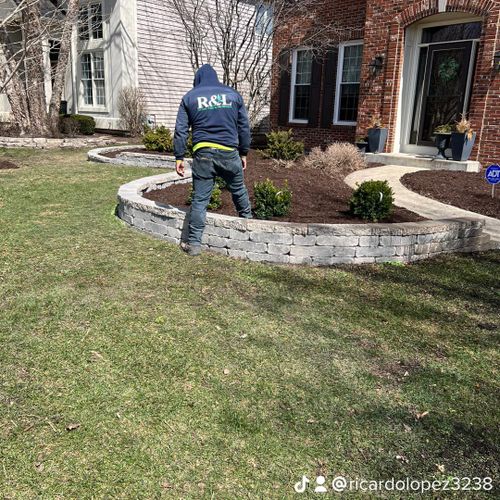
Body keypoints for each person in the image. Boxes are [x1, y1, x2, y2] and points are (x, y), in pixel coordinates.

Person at [174, 64, 252, 256]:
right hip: (229, 152)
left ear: (197, 79)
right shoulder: (233, 95)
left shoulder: (190, 97)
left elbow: (181, 131)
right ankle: (250, 227)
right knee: (239, 191)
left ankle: (194, 245)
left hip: (203, 154)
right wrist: (244, 152)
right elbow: (244, 128)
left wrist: (179, 157)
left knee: (200, 200)